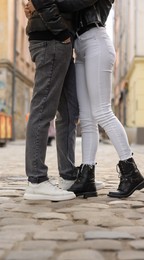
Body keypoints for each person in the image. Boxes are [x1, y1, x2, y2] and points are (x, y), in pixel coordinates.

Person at [23, 0, 103, 201]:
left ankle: (68, 176)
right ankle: (37, 180)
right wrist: (61, 32)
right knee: (43, 109)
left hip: (59, 39)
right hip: (51, 38)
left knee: (69, 111)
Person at [68, 0, 144, 198]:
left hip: (96, 42)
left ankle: (131, 172)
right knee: (87, 119)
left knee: (102, 111)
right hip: (80, 48)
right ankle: (87, 177)